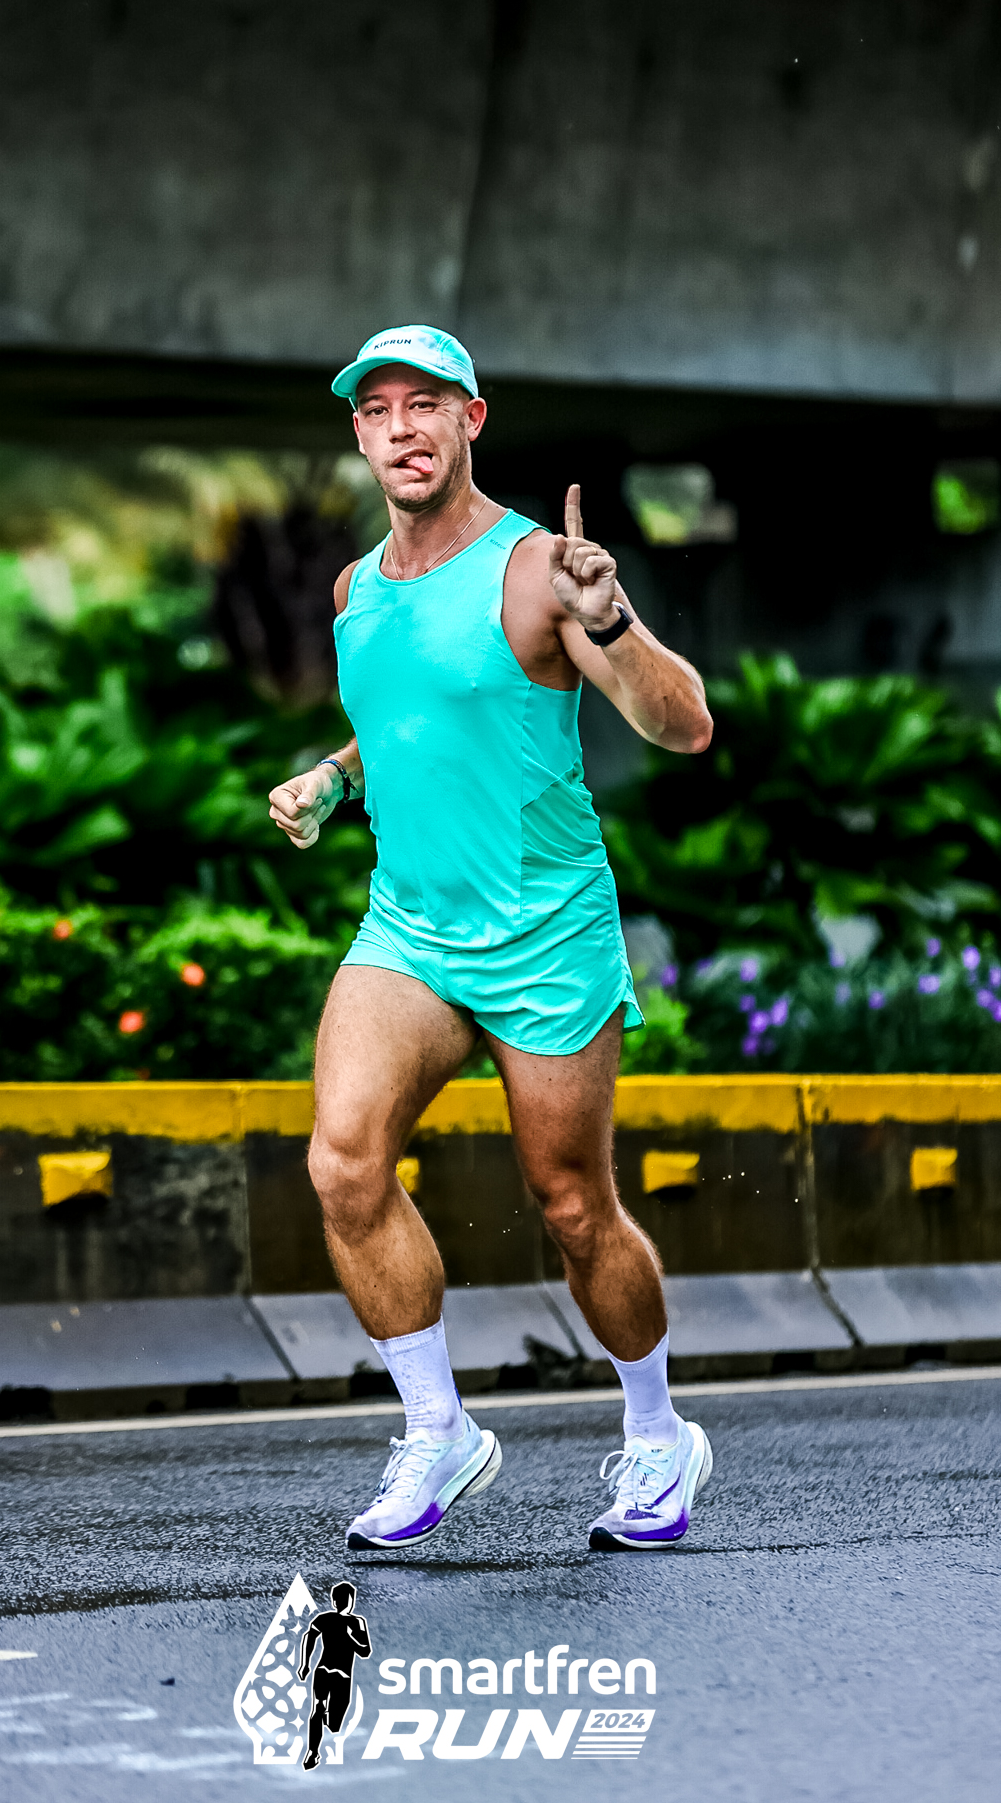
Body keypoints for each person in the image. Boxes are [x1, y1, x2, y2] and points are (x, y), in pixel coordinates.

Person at [268, 324, 715, 1552]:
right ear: (358, 435)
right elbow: (417, 720)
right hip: (409, 929)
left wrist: (610, 621)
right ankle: (437, 1431)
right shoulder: (358, 591)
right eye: (377, 410)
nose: (400, 429)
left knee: (571, 1204)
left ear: (469, 420)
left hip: (544, 932)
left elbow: (682, 726)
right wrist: (334, 777)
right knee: (342, 1166)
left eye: (424, 404)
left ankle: (655, 1432)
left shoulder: (538, 572)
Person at [297, 1580, 371, 1769]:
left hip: (338, 1675)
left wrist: (348, 1637)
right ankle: (313, 1752)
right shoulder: (327, 1619)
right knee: (319, 1708)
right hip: (328, 1671)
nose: (344, 1602)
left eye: (346, 1599)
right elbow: (309, 1637)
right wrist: (304, 1664)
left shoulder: (356, 1622)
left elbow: (365, 1651)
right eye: (341, 1599)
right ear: (335, 1601)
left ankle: (322, 1722)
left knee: (333, 1723)